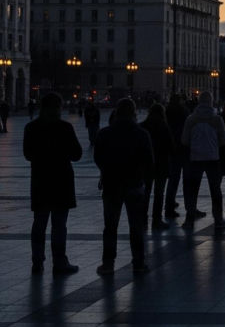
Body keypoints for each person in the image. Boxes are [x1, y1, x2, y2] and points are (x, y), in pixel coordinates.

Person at [23, 92, 83, 276]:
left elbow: (28, 154)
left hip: (41, 180)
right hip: (61, 181)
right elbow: (77, 154)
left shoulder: (31, 128)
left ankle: (37, 261)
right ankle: (59, 262)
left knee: (39, 223)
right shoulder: (64, 128)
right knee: (59, 225)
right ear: (58, 108)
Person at [93, 98, 154, 276]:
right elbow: (149, 161)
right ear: (134, 113)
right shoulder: (142, 134)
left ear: (117, 113)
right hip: (134, 183)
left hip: (111, 184)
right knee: (136, 226)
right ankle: (138, 263)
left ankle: (108, 264)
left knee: (110, 226)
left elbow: (98, 157)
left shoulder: (105, 133)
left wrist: (106, 170)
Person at [181, 91, 225, 230]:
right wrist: (214, 146)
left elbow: (184, 140)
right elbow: (224, 140)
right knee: (215, 190)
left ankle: (189, 218)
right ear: (211, 102)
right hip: (213, 158)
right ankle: (218, 219)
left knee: (192, 189)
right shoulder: (217, 119)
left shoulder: (191, 119)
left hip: (195, 158)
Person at [140, 102, 172, 230]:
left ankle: (143, 219)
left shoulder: (143, 126)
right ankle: (156, 220)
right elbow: (171, 146)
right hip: (161, 165)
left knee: (145, 193)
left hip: (146, 165)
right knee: (159, 194)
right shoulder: (164, 127)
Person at [163, 94, 189, 219]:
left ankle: (169, 204)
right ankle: (190, 207)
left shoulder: (166, 112)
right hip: (183, 148)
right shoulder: (184, 112)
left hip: (171, 148)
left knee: (173, 180)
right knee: (187, 180)